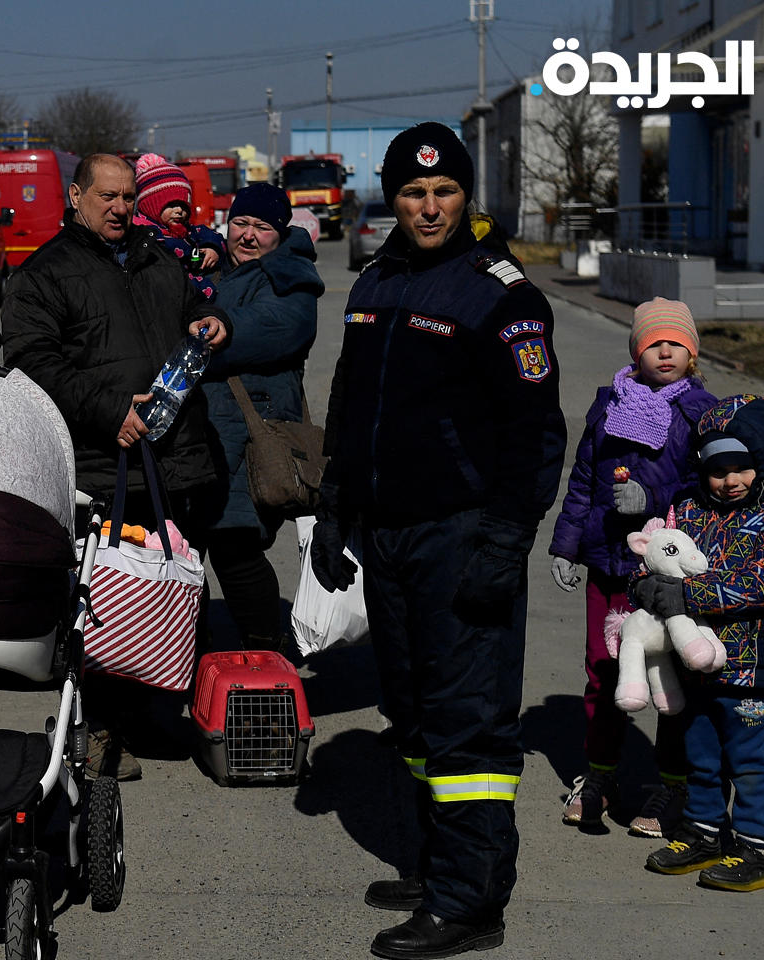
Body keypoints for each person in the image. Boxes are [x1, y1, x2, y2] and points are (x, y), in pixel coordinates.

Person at [310, 122, 566, 959]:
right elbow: (351, 405)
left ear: (465, 198)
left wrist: (504, 538)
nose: (428, 207)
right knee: (414, 715)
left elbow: (534, 434)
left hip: (460, 536)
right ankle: (436, 866)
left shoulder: (502, 294)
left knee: (468, 726)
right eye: (414, 193)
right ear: (393, 197)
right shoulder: (377, 279)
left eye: (445, 192)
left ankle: (470, 904)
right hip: (385, 535)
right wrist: (337, 507)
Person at [0, 153, 229, 780]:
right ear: (76, 197)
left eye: (128, 195)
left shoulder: (159, 259)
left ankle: (158, 712)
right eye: (107, 196)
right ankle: (96, 729)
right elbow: (32, 363)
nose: (121, 207)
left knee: (170, 591)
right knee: (101, 603)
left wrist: (215, 323)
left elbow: (198, 311)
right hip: (103, 464)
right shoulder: (44, 273)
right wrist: (106, 411)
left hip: (176, 457)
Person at [548, 297, 716, 836]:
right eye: (653, 343)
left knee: (671, 680)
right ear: (636, 351)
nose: (664, 351)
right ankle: (599, 776)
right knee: (604, 670)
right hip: (610, 564)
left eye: (676, 343)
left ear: (691, 354)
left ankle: (674, 785)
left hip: (666, 574)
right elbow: (582, 483)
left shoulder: (700, 412)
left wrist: (652, 495)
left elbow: (708, 490)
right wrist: (566, 545)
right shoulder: (607, 405)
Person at [637, 395, 764, 892]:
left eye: (741, 467)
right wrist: (646, 587)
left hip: (750, 666)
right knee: (699, 753)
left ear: (762, 463)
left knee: (747, 760)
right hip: (694, 664)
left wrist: (688, 591)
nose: (729, 480)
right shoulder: (689, 511)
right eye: (717, 469)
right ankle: (704, 832)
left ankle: (755, 849)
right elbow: (660, 559)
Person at [200, 182, 321, 650]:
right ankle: (189, 661)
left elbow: (278, 327)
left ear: (280, 233)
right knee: (183, 557)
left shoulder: (289, 275)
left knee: (236, 550)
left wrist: (221, 327)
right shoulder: (211, 268)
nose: (248, 235)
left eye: (262, 227)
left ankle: (266, 655)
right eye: (241, 223)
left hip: (247, 440)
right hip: (201, 437)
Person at [132, 153, 224, 298]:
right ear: (151, 206)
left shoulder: (185, 230)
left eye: (184, 205)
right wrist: (202, 287)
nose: (179, 211)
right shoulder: (145, 235)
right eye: (171, 205)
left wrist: (213, 248)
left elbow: (209, 234)